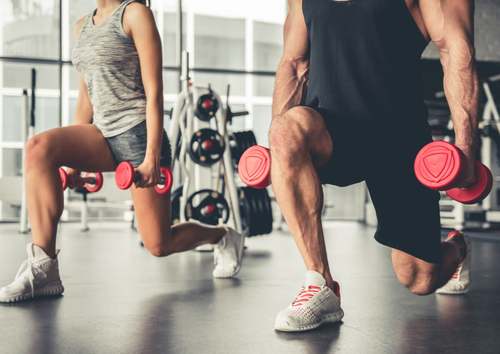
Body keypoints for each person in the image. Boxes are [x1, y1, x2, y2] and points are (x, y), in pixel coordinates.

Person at [0, 0, 244, 303]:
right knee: (39, 148)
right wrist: (74, 164)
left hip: (138, 135)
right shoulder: (83, 25)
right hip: (100, 133)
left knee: (158, 244)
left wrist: (152, 156)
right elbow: (86, 97)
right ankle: (44, 267)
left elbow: (154, 92)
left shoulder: (135, 14)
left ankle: (222, 235)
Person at [272, 0, 477, 332]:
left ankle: (456, 248)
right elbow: (294, 64)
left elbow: (455, 49)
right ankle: (320, 283)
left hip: (400, 140)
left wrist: (465, 148)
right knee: (285, 129)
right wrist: (277, 147)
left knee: (418, 277)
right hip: (331, 131)